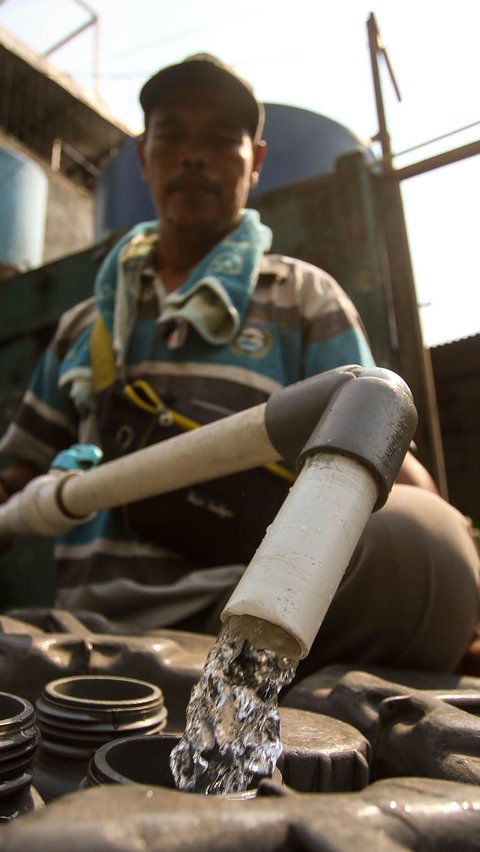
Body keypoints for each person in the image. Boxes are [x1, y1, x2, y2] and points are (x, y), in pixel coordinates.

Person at [0, 55, 478, 676]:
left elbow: (378, 444)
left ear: (255, 161)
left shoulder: (304, 299)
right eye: (172, 137)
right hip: (88, 630)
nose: (194, 157)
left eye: (221, 139)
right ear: (145, 159)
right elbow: (19, 477)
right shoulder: (83, 326)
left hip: (251, 618)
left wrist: (459, 580)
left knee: (426, 544)